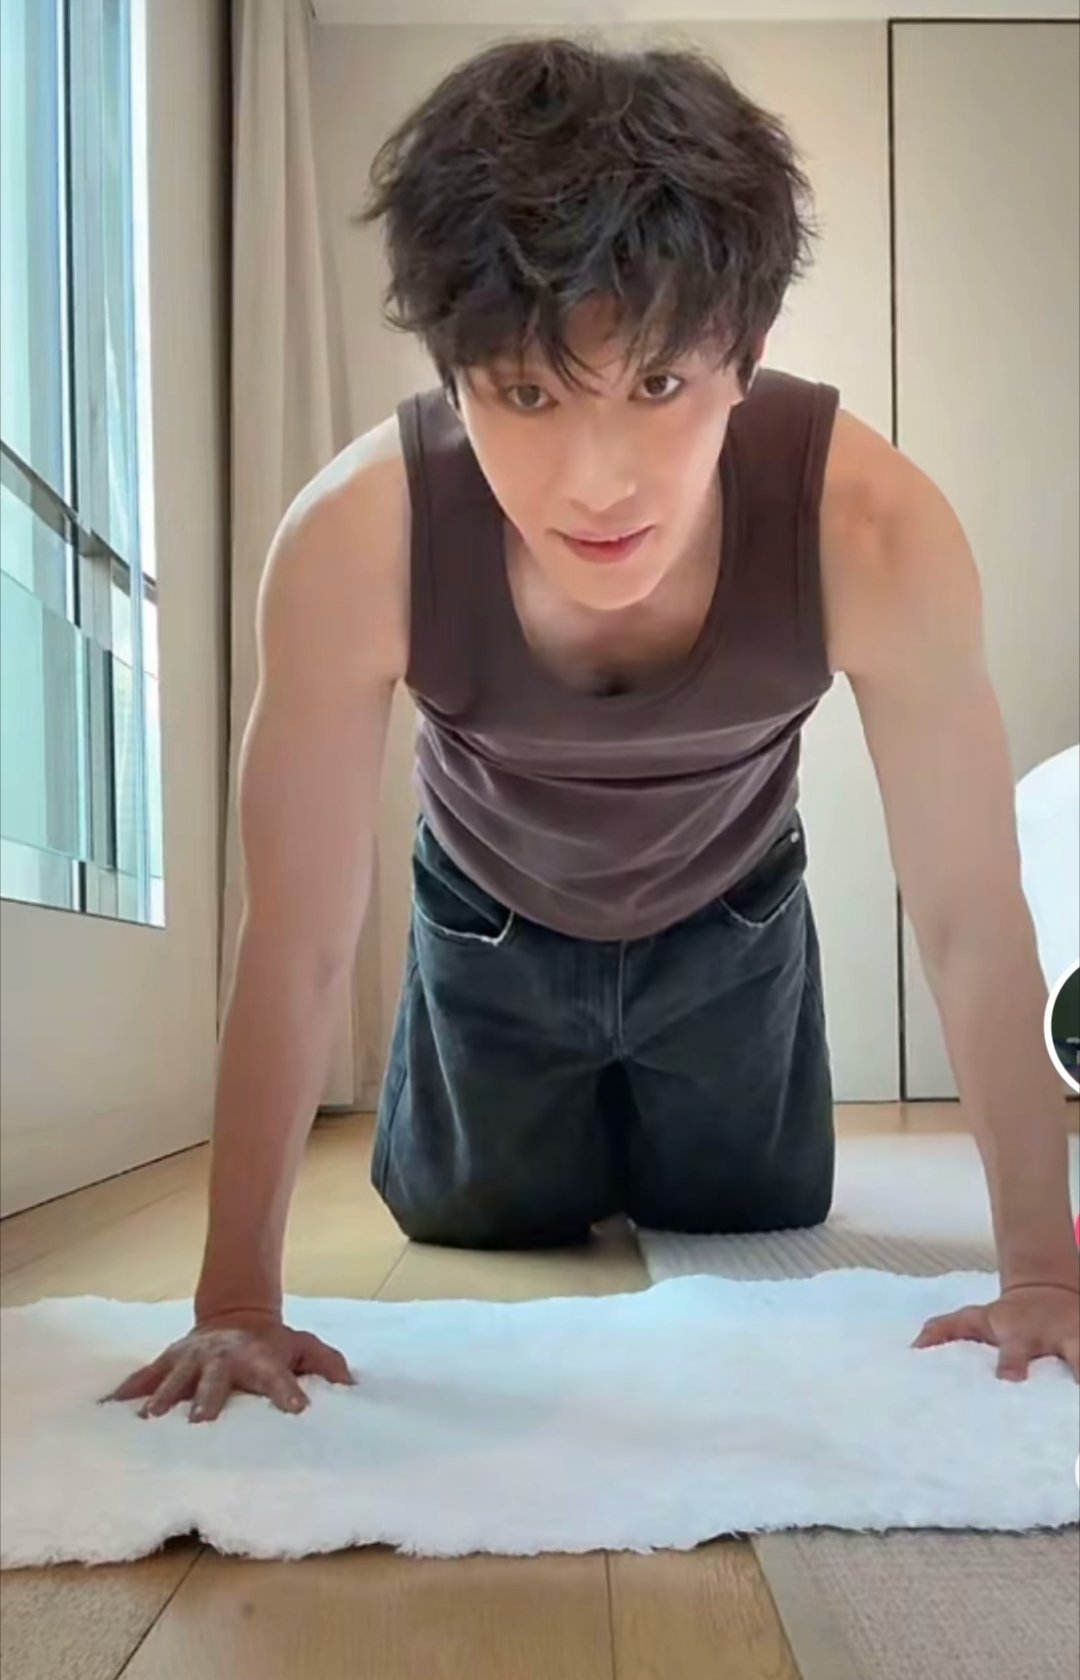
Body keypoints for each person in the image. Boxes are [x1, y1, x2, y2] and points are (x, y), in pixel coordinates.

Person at [106, 38, 1078, 1424]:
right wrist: (236, 1306)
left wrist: (1043, 1270)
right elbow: (299, 932)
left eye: (660, 386)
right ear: (451, 377)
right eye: (528, 393)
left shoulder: (870, 526)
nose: (599, 481)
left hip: (733, 926)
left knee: (749, 1214)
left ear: (746, 358)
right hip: (488, 924)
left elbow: (972, 908)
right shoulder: (354, 539)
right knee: (476, 1217)